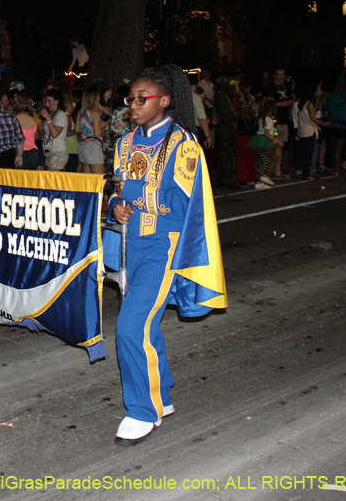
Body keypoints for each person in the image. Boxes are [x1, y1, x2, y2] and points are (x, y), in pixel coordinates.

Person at [106, 64, 226, 445]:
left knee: (130, 327)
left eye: (143, 99)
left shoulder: (183, 145)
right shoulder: (124, 142)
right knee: (146, 324)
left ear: (166, 100)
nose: (134, 105)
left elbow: (179, 202)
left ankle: (143, 409)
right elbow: (115, 188)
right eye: (130, 99)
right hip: (131, 245)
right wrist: (114, 207)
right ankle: (163, 394)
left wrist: (133, 195)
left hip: (164, 247)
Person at [261, 68, 295, 176]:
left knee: (282, 144)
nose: (281, 77)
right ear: (274, 76)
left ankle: (280, 168)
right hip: (274, 119)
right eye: (279, 75)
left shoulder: (286, 87)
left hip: (285, 118)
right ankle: (274, 169)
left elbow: (290, 98)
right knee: (275, 144)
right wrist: (281, 104)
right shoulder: (269, 88)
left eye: (283, 75)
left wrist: (290, 102)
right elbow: (265, 103)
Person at [293, 90, 327, 181]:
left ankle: (305, 172)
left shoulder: (301, 103)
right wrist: (323, 123)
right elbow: (313, 118)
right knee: (308, 153)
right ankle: (307, 173)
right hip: (309, 130)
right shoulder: (309, 104)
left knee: (304, 153)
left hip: (302, 130)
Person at [250, 103, 282, 190]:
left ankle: (260, 180)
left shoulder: (262, 118)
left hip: (258, 140)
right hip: (265, 141)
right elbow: (266, 132)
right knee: (274, 158)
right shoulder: (269, 120)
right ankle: (263, 176)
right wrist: (276, 141)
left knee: (266, 160)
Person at [76, 88, 105, 174]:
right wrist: (104, 126)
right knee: (98, 178)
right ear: (94, 98)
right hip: (93, 145)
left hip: (83, 145)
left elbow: (77, 130)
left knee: (87, 178)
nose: (99, 98)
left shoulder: (81, 112)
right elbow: (97, 133)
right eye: (98, 97)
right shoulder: (95, 113)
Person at [40, 88, 69, 171]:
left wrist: (48, 119)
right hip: (49, 151)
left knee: (51, 179)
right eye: (45, 101)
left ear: (57, 101)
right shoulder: (50, 114)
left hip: (58, 151)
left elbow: (55, 134)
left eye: (49, 101)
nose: (47, 103)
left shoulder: (61, 115)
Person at [13, 92, 40, 170]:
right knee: (30, 180)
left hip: (19, 153)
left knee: (18, 180)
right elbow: (35, 136)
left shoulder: (14, 119)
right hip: (33, 153)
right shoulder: (32, 119)